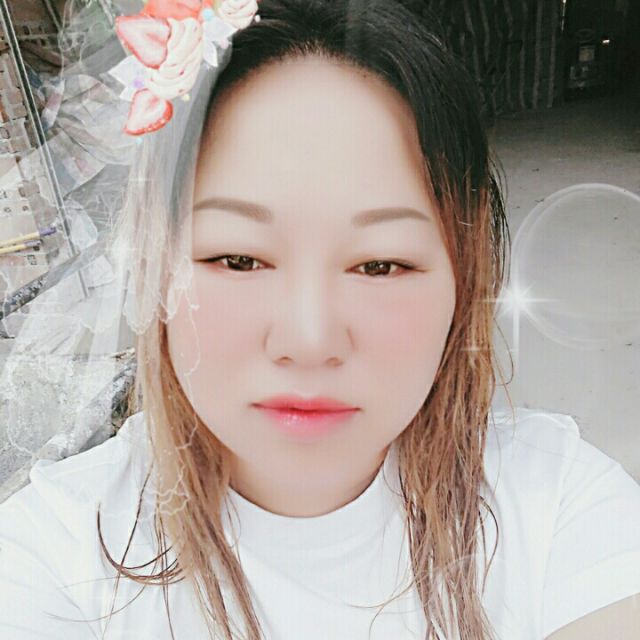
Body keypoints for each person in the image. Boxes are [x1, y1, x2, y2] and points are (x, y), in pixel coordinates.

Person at [1, 1, 639, 639]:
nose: (309, 341)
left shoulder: (559, 511)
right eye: (239, 259)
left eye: (380, 265)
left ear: (465, 276)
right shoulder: (56, 558)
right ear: (154, 268)